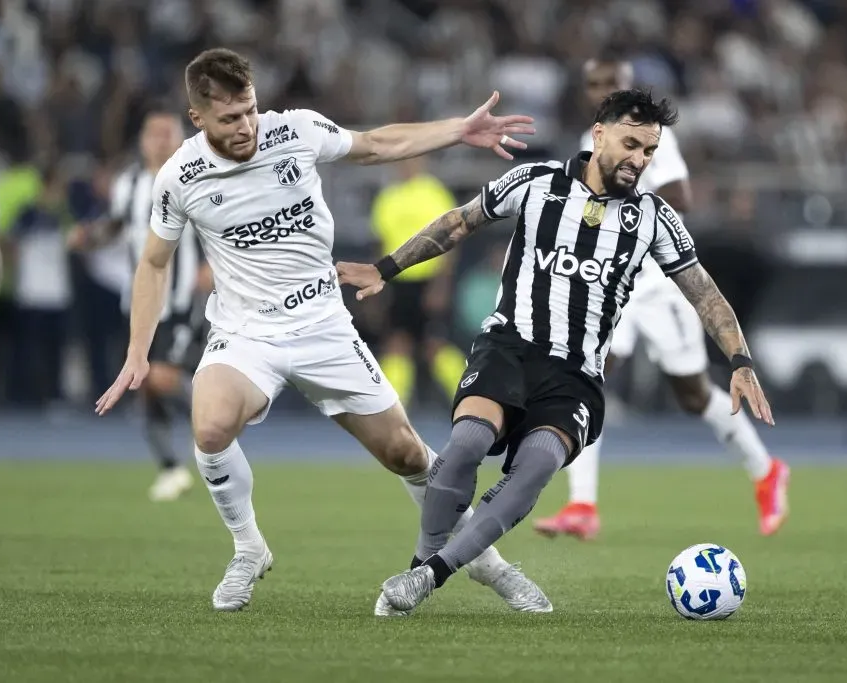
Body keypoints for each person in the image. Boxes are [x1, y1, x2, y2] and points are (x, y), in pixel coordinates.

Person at [94, 48, 552, 615]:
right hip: (245, 334)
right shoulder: (179, 177)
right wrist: (138, 350)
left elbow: (378, 144)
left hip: (323, 327)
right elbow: (155, 263)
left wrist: (458, 130)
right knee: (210, 429)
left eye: (250, 111)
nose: (246, 127)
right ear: (198, 119)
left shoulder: (297, 131)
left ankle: (489, 565)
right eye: (229, 119)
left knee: (406, 454)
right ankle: (248, 548)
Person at [337, 89, 775, 614]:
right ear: (599, 133)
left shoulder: (654, 218)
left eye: (650, 151)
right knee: (467, 443)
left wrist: (740, 360)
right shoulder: (536, 181)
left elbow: (704, 292)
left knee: (538, 463)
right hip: (508, 347)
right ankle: (427, 565)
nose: (639, 159)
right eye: (631, 143)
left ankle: (427, 576)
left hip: (575, 375)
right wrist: (385, 268)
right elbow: (458, 222)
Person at [534, 56, 789, 540]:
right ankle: (583, 504)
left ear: (629, 85)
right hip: (611, 282)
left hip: (654, 282)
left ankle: (766, 470)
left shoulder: (651, 139)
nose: (603, 88)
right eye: (595, 83)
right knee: (591, 378)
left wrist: (627, 214)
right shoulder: (585, 145)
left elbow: (682, 197)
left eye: (613, 81)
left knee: (692, 395)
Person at [69, 110, 207, 501]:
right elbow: (116, 225)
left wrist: (211, 267)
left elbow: (219, 228)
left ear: (181, 137)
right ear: (143, 140)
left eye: (169, 133)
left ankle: (219, 414)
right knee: (143, 383)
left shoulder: (196, 177)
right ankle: (170, 468)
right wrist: (89, 237)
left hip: (181, 300)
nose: (162, 140)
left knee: (161, 376)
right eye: (155, 133)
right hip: (140, 303)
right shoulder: (128, 183)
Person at [370, 156, 468, 407]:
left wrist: (441, 285)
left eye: (412, 162)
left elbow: (451, 240)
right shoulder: (388, 197)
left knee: (435, 346)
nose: (406, 166)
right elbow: (381, 243)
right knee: (396, 345)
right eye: (402, 162)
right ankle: (393, 409)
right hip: (398, 281)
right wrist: (378, 282)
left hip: (429, 279)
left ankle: (469, 399)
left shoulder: (434, 193)